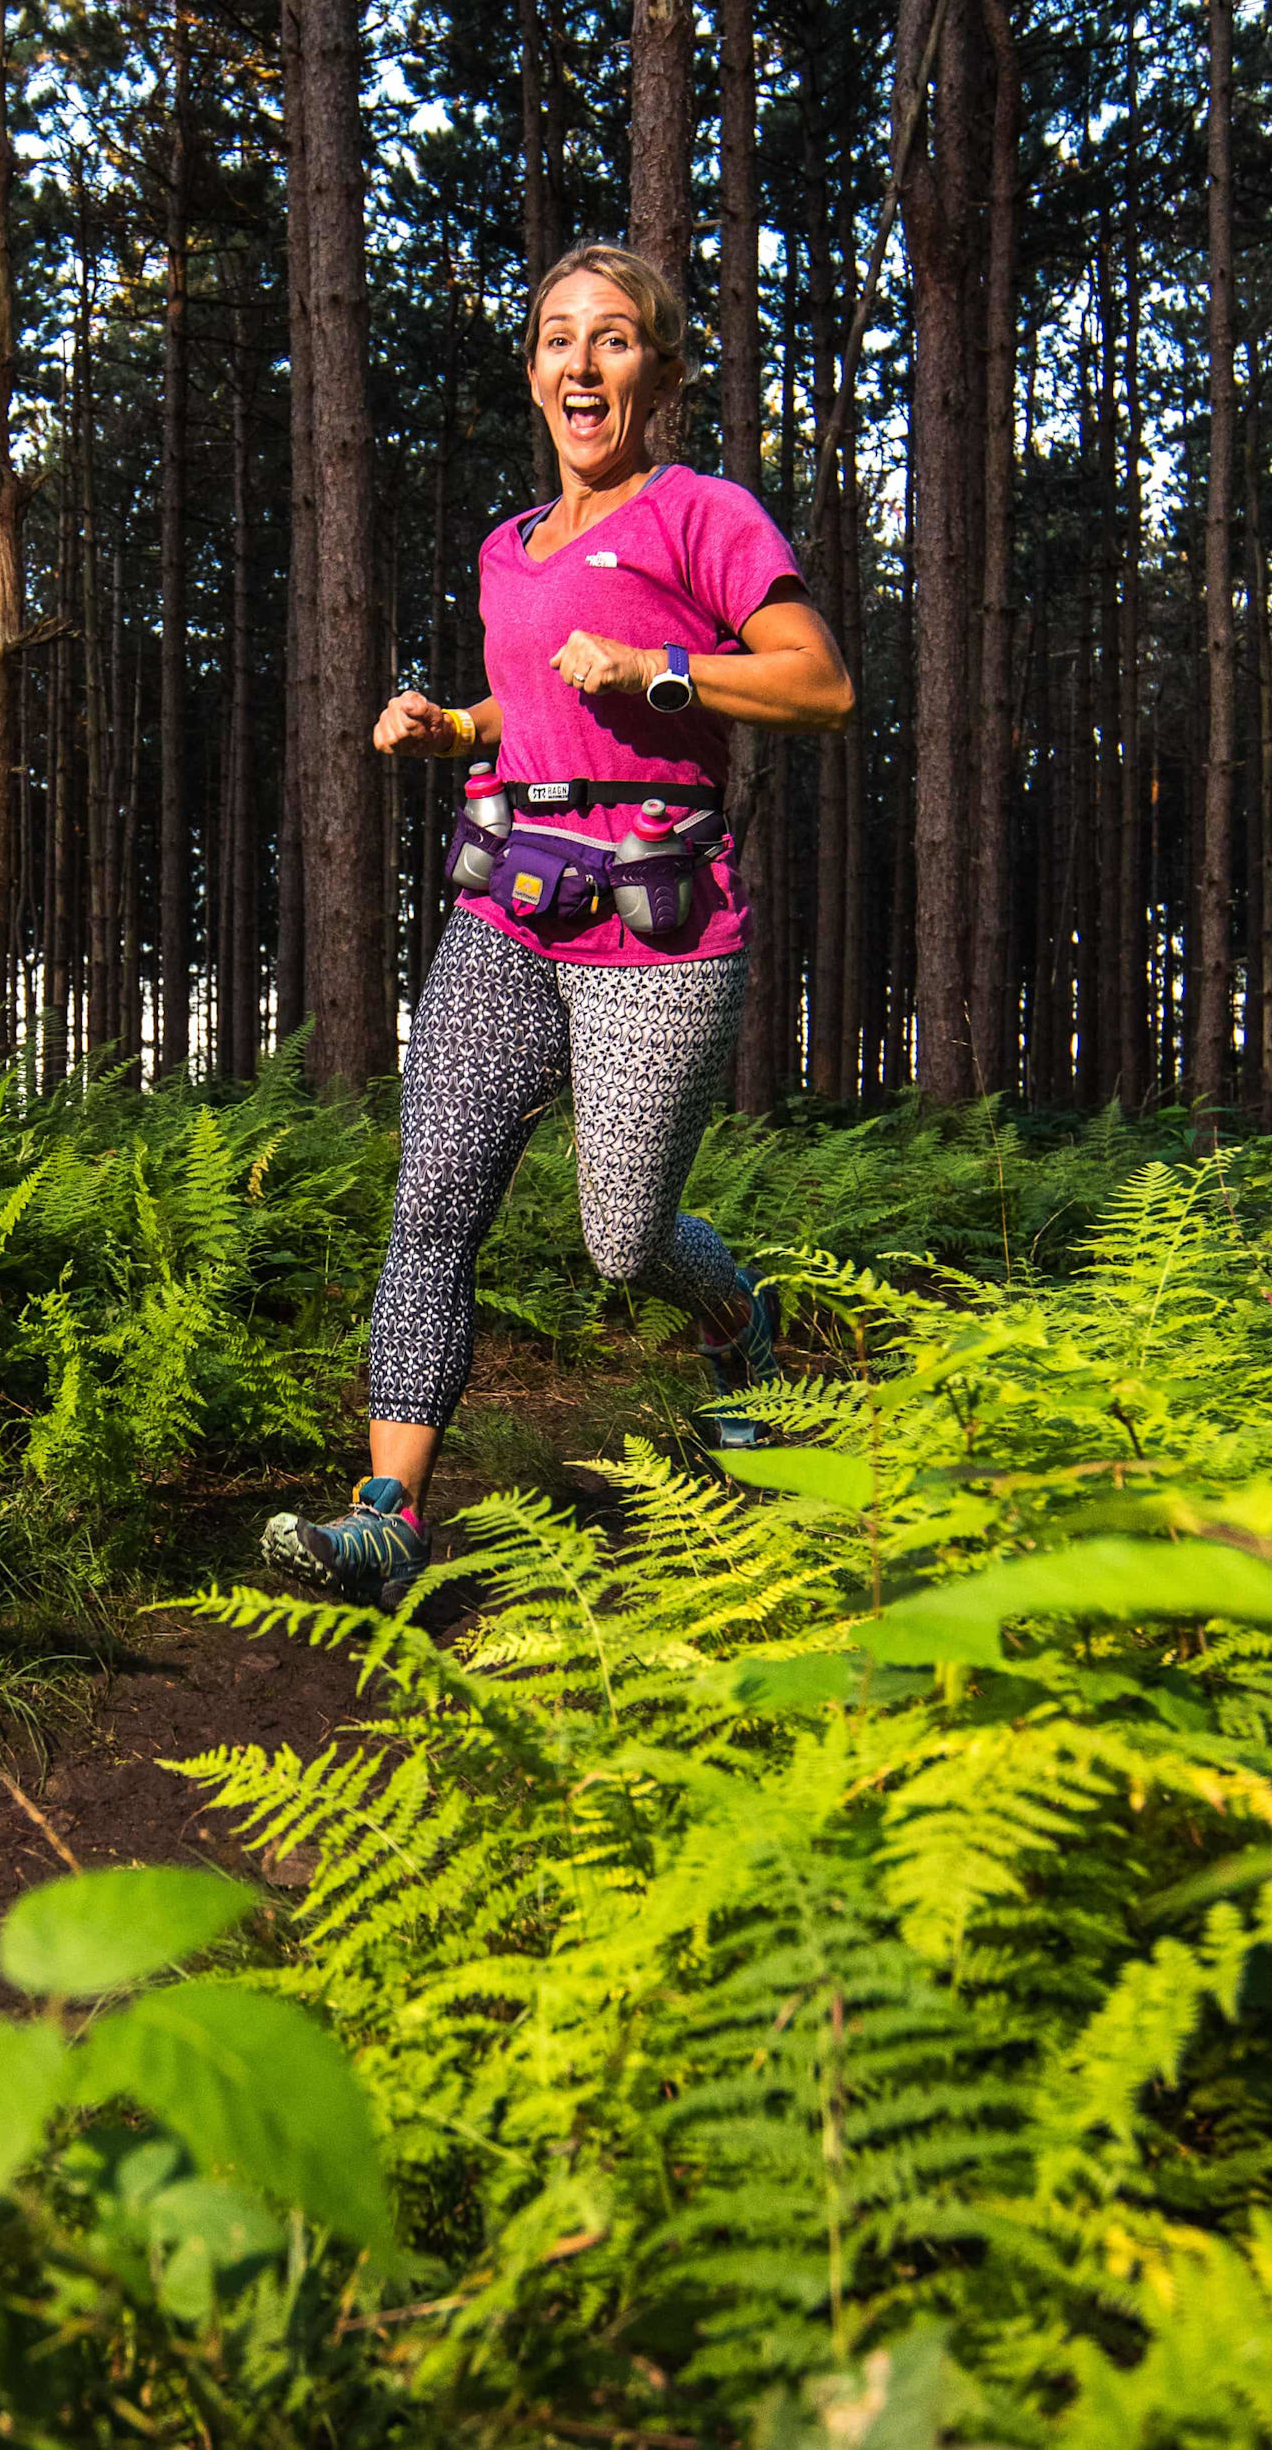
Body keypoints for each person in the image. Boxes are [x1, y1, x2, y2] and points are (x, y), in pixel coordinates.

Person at [262, 240, 855, 1609]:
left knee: (622, 1242)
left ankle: (737, 1321)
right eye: (557, 339)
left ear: (658, 370)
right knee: (432, 1210)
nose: (581, 364)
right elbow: (524, 704)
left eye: (615, 340)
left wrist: (658, 671)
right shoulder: (508, 548)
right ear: (533, 373)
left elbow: (817, 685)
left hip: (658, 923)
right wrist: (448, 725)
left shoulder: (703, 513)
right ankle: (388, 1516)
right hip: (510, 904)